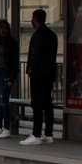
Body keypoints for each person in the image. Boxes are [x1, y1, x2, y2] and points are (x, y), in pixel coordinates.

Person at [21, 8, 59, 146]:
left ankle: (36, 134)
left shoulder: (37, 35)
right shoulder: (52, 35)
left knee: (37, 104)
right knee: (47, 104)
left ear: (35, 18)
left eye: (32, 18)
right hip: (49, 74)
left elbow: (35, 55)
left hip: (38, 74)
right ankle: (48, 134)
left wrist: (30, 71)